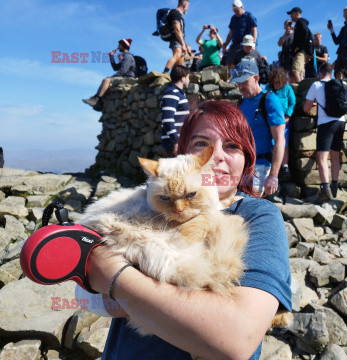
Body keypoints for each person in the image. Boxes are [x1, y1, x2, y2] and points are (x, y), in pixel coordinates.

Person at [81, 100, 292, 360]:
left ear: (247, 156)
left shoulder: (257, 215)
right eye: (202, 144)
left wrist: (113, 274)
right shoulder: (147, 200)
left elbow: (236, 338)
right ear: (182, 152)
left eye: (232, 146)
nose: (216, 156)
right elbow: (87, 295)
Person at [230, 60, 286, 196]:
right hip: (242, 166)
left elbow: (279, 139)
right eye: (238, 83)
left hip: (261, 166)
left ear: (256, 78)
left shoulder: (269, 100)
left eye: (244, 82)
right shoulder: (240, 103)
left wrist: (273, 175)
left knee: (247, 205)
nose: (240, 86)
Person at [303, 63, 346, 203]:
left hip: (326, 123)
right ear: (331, 73)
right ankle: (334, 186)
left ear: (320, 73)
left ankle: (325, 190)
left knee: (321, 156)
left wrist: (314, 104)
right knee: (335, 155)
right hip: (341, 121)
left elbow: (306, 108)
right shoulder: (342, 84)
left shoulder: (316, 85)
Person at [82, 39, 136, 109]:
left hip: (128, 77)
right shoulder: (124, 56)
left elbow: (123, 71)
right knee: (106, 80)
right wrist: (111, 57)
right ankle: (97, 100)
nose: (118, 46)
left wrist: (111, 77)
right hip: (125, 76)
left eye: (119, 45)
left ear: (123, 46)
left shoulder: (127, 56)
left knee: (106, 80)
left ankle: (97, 99)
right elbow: (115, 68)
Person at [265, 68, 296, 178]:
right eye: (275, 82)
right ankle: (272, 164)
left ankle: (284, 166)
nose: (277, 85)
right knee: (271, 141)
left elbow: (292, 103)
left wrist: (288, 115)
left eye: (279, 83)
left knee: (284, 142)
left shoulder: (287, 89)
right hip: (271, 120)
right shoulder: (268, 89)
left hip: (284, 121)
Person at [160, 65, 190, 156]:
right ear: (182, 79)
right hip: (174, 144)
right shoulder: (172, 93)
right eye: (188, 77)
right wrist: (175, 142)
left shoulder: (179, 94)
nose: (189, 80)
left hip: (179, 142)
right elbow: (168, 119)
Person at [223, 0, 258, 72]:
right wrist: (225, 43)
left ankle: (241, 81)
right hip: (234, 44)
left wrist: (253, 43)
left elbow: (254, 30)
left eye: (237, 10)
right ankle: (230, 81)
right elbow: (230, 33)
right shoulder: (233, 18)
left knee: (241, 64)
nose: (236, 12)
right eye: (234, 11)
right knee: (229, 63)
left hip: (245, 44)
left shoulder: (248, 16)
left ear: (241, 7)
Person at [163, 0, 189, 74]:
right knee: (177, 55)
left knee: (180, 59)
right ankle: (165, 73)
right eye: (187, 6)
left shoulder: (178, 14)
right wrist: (183, 44)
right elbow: (177, 29)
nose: (187, 8)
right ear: (184, 5)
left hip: (179, 39)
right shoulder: (175, 13)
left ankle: (177, 77)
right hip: (177, 38)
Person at [287, 7, 312, 83]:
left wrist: (299, 47)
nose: (290, 16)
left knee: (295, 71)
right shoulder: (300, 23)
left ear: (297, 13)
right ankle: (302, 90)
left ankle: (300, 92)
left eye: (292, 14)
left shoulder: (300, 22)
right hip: (303, 51)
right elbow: (304, 33)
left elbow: (305, 33)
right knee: (300, 73)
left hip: (301, 51)